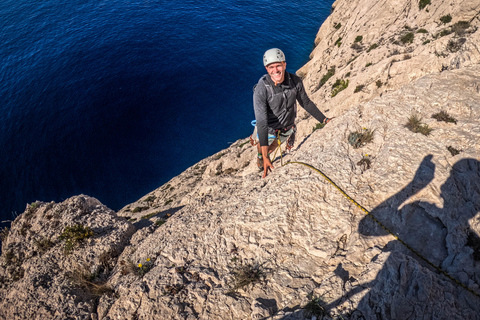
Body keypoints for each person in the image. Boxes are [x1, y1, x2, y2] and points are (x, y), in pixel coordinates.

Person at [253, 48, 332, 177]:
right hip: (269, 129)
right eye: (271, 67)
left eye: (278, 65)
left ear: (284, 64)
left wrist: (324, 120)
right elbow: (261, 122)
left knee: (271, 148)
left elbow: (305, 103)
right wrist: (265, 156)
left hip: (286, 127)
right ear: (267, 69)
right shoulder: (262, 89)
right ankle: (260, 156)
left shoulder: (295, 81)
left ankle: (263, 154)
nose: (275, 70)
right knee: (262, 149)